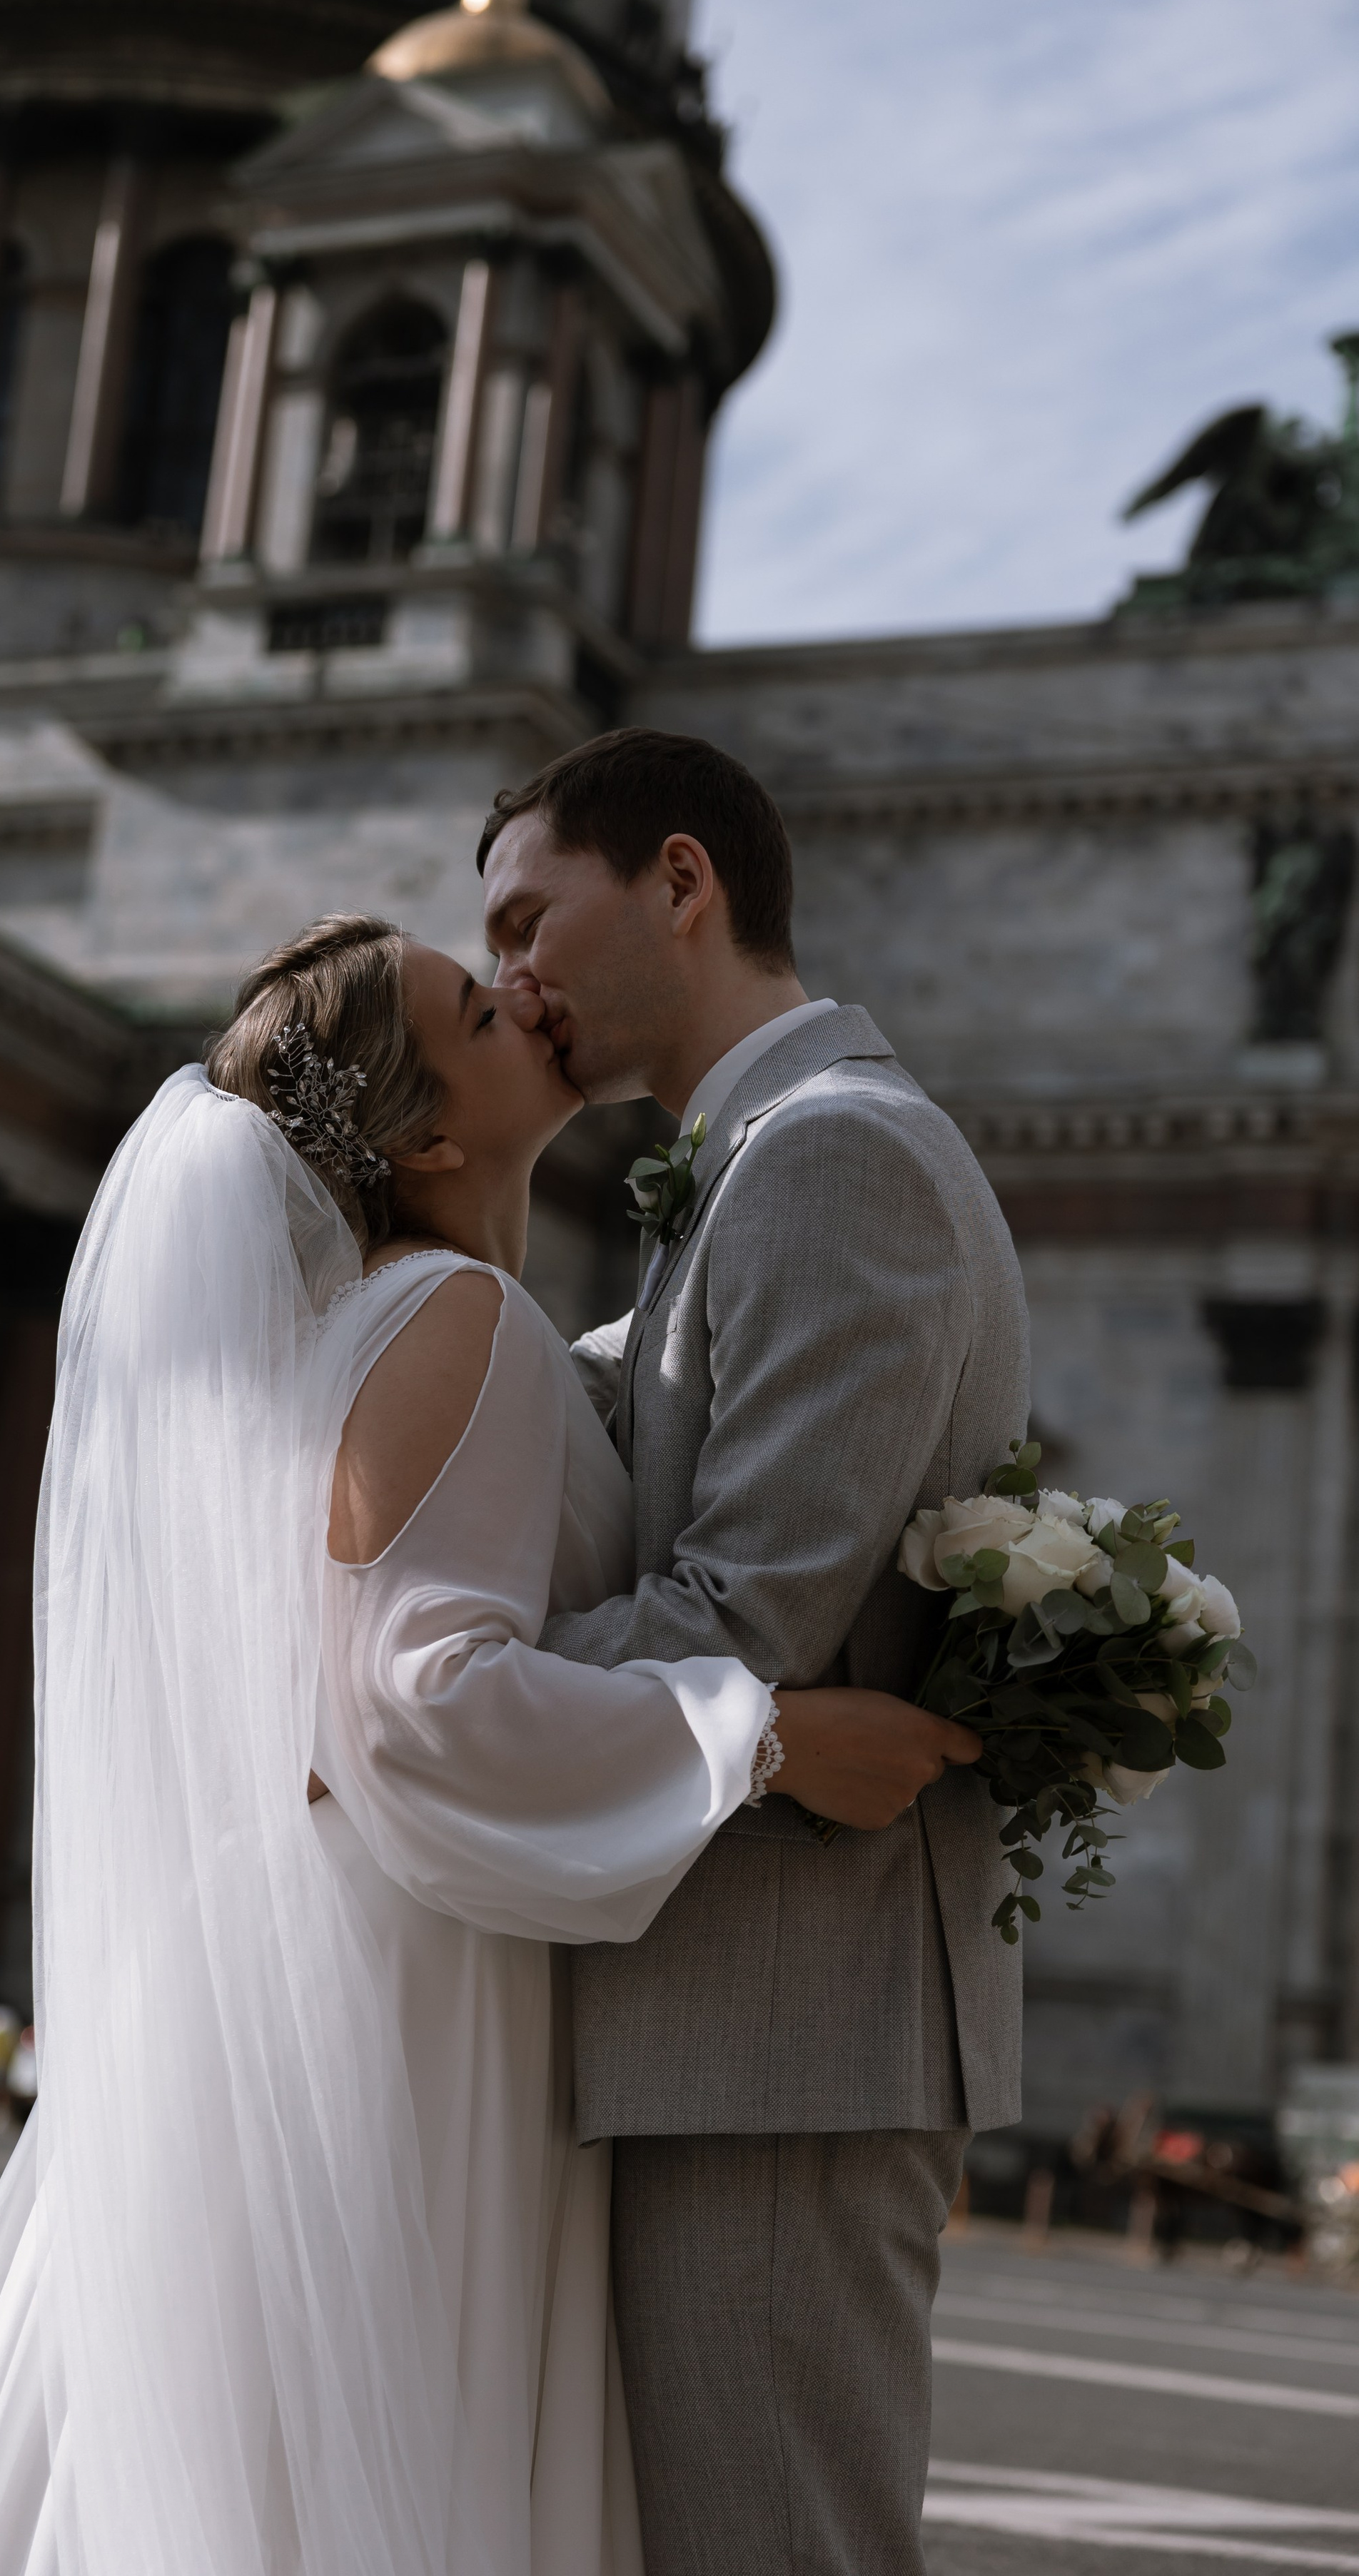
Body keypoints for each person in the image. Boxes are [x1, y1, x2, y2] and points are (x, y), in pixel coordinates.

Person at [0, 911, 976, 2576]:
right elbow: (412, 1702)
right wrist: (768, 1741)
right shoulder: (461, 1322)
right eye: (469, 1009)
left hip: (325, 1946)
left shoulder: (397, 1324)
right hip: (405, 1969)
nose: (513, 997)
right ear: (424, 1135)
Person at [480, 726, 1032, 2576]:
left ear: (684, 883)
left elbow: (743, 1622)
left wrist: (432, 1701)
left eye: (526, 916)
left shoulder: (831, 1160)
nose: (509, 979)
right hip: (744, 2018)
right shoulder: (765, 1161)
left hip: (783, 2025)